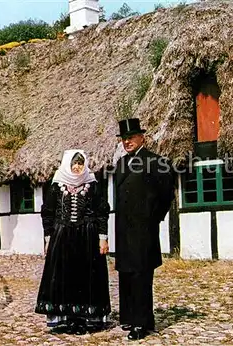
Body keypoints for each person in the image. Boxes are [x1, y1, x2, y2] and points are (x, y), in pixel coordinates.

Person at [35, 149, 111, 335]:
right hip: (62, 237)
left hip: (88, 237)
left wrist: (103, 238)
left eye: (80, 163)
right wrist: (48, 238)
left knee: (86, 277)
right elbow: (48, 213)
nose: (77, 167)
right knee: (64, 276)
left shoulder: (92, 185)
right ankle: (67, 319)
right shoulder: (56, 185)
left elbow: (102, 212)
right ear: (67, 164)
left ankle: (83, 320)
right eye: (74, 164)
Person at [113, 118, 175, 340]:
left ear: (142, 138)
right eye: (124, 139)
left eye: (131, 137)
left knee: (141, 275)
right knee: (126, 274)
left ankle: (142, 322)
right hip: (123, 229)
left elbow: (167, 195)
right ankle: (129, 318)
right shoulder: (120, 164)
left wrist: (153, 219)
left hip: (143, 229)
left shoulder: (156, 162)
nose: (127, 142)